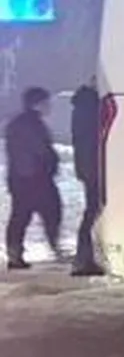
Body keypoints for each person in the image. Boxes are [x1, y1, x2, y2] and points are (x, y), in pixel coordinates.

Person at [5, 87, 61, 270]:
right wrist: (50, 164)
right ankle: (50, 247)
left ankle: (16, 253)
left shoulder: (22, 122)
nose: (49, 106)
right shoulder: (30, 124)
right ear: (38, 103)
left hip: (24, 178)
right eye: (47, 102)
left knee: (22, 216)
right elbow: (40, 150)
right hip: (32, 178)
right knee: (41, 212)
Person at [69, 80, 104, 276]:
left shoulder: (82, 106)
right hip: (93, 167)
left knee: (92, 211)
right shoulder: (89, 106)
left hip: (88, 167)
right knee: (92, 211)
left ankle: (84, 258)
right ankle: (83, 260)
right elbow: (90, 142)